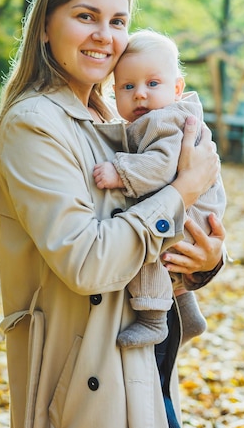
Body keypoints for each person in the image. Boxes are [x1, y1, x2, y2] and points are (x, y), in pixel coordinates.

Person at [0, 0, 226, 428]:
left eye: (117, 21)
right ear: (46, 26)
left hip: (142, 361)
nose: (104, 35)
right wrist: (184, 190)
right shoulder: (35, 125)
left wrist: (206, 259)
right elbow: (87, 263)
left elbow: (157, 228)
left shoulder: (117, 117)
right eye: (85, 16)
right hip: (86, 379)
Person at [93, 29, 227, 349]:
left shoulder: (166, 119)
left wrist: (120, 171)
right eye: (128, 86)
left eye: (152, 84)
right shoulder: (163, 115)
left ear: (177, 88)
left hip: (193, 213)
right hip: (196, 212)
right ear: (114, 92)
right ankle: (187, 316)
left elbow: (161, 166)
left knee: (147, 248)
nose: (140, 94)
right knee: (154, 235)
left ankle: (153, 319)